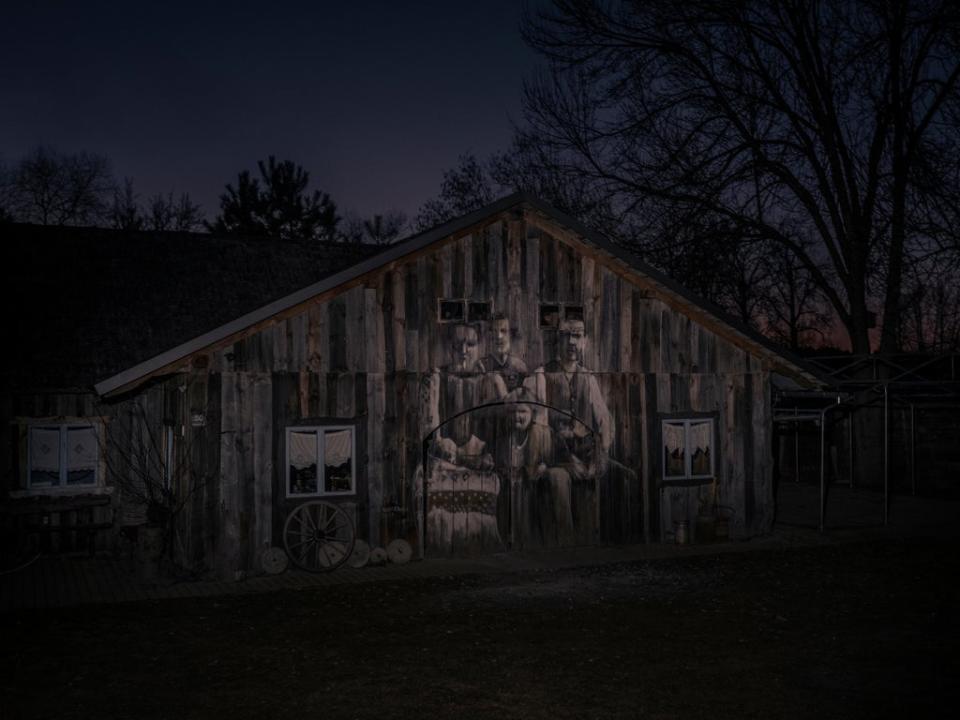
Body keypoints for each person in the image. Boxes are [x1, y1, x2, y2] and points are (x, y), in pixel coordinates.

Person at [481, 313, 528, 393]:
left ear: (511, 335)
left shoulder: (520, 366)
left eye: (503, 331)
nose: (499, 336)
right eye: (494, 331)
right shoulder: (482, 366)